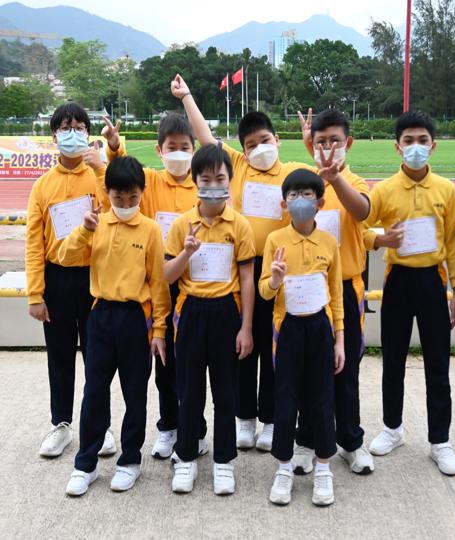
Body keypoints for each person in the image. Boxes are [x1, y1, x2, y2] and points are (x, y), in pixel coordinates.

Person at [172, 74, 311, 451]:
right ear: (243, 152)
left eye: (265, 141)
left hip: (279, 273)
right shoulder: (239, 166)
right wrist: (187, 97)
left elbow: (319, 188)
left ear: (278, 140)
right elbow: (206, 139)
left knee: (273, 348)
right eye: (251, 145)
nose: (259, 149)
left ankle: (270, 419)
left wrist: (312, 146)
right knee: (244, 348)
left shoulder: (291, 172)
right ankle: (244, 418)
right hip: (242, 271)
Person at [101, 113, 209, 461]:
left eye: (185, 147)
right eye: (171, 147)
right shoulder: (149, 181)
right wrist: (114, 147)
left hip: (193, 284)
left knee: (192, 365)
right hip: (159, 283)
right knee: (164, 362)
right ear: (159, 150)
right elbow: (122, 175)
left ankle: (196, 429)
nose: (178, 153)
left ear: (193, 149)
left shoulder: (202, 186)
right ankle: (168, 427)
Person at [60, 156, 170, 496]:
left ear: (142, 193)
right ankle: (86, 464)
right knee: (94, 391)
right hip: (100, 316)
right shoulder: (96, 223)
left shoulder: (150, 229)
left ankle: (130, 461)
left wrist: (160, 330)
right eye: (118, 197)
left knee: (135, 393)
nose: (125, 204)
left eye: (132, 197)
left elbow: (158, 283)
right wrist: (84, 231)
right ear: (106, 192)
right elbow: (65, 257)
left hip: (136, 318)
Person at [365, 111, 455, 476]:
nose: (416, 147)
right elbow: (358, 225)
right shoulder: (384, 190)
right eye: (408, 141)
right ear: (397, 147)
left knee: (438, 363)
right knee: (393, 360)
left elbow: (452, 244)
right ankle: (392, 428)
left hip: (433, 282)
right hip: (398, 281)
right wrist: (379, 240)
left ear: (433, 146)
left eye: (423, 140)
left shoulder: (446, 190)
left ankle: (440, 441)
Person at [164, 143, 255, 495]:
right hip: (191, 312)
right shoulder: (182, 225)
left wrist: (246, 328)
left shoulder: (240, 225)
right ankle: (186, 457)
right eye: (205, 179)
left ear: (230, 180)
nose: (213, 185)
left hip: (226, 313)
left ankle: (224, 462)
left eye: (220, 178)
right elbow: (167, 276)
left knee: (225, 392)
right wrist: (186, 253)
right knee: (189, 391)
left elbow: (247, 279)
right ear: (194, 181)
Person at [25, 103, 116, 459]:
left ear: (88, 134)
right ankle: (60, 424)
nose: (73, 133)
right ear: (54, 135)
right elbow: (34, 243)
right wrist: (36, 294)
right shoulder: (42, 186)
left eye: (79, 127)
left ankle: (101, 425)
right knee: (60, 355)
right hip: (57, 278)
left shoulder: (98, 175)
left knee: (98, 356)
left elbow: (119, 209)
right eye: (66, 127)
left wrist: (101, 167)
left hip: (95, 276)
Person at [287, 108, 374, 476]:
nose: (328, 147)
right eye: (321, 141)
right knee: (308, 371)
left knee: (345, 369)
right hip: (308, 289)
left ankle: (350, 440)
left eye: (334, 141)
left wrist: (335, 179)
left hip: (346, 290)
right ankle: (306, 440)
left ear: (347, 143)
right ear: (312, 144)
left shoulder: (354, 182)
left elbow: (362, 211)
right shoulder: (305, 185)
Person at [259, 168, 344, 507]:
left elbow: (336, 294)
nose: (300, 201)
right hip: (288, 329)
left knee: (322, 398)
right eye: (293, 196)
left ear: (320, 203)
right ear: (284, 204)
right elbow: (265, 292)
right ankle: (284, 467)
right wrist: (275, 279)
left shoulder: (329, 243)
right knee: (286, 397)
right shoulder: (275, 241)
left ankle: (323, 467)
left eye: (307, 195)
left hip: (320, 328)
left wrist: (339, 339)